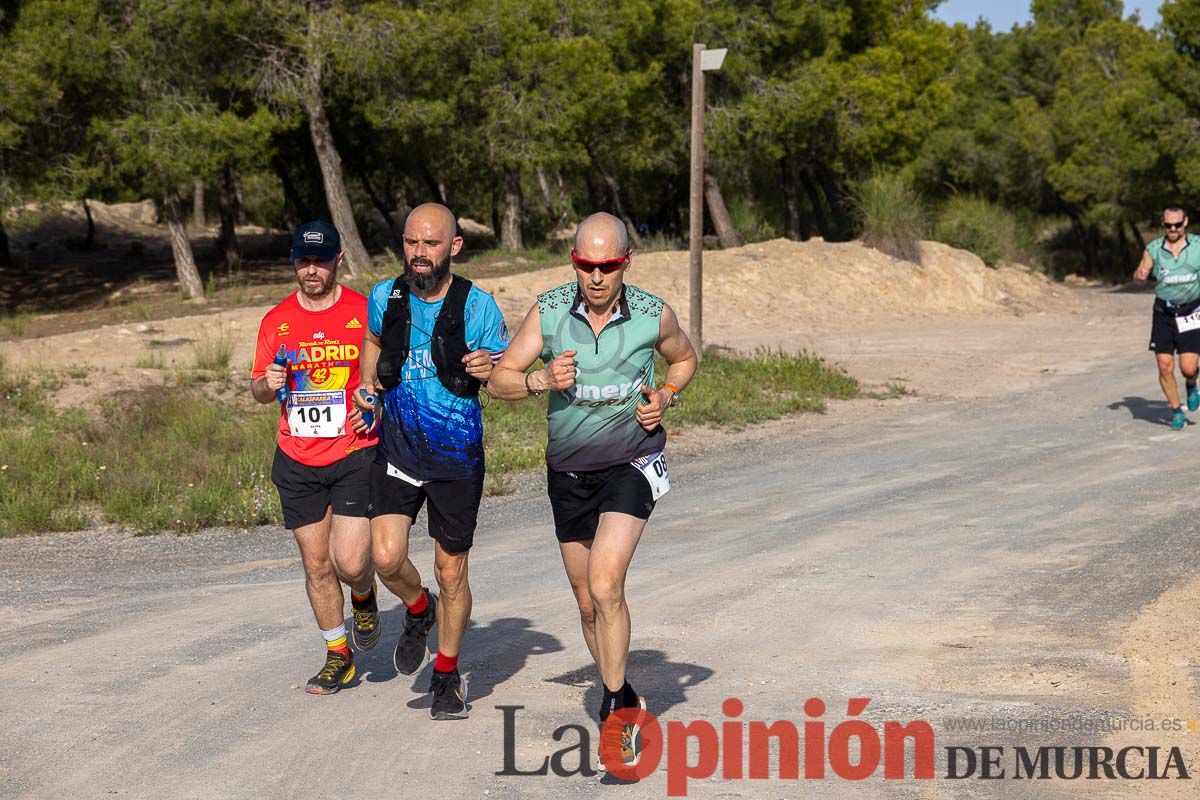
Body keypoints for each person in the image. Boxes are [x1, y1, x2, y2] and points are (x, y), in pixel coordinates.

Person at [489, 212, 698, 764]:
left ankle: (612, 712)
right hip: (569, 473)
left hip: (633, 462)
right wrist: (539, 380)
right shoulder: (551, 310)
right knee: (587, 604)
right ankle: (628, 693)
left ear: (626, 262)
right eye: (587, 265)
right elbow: (499, 378)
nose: (597, 276)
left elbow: (685, 357)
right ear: (574, 262)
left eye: (608, 265)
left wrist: (667, 395)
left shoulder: (654, 314)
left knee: (606, 585)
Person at [354, 203, 508, 720]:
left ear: (454, 247)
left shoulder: (477, 305)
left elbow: (508, 372)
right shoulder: (385, 295)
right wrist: (366, 383)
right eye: (411, 243)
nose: (419, 254)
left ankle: (446, 676)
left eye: (431, 244)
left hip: (454, 458)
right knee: (384, 558)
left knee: (451, 571)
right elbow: (373, 339)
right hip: (396, 450)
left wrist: (492, 367)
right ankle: (419, 610)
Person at [251, 220, 380, 695]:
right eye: (303, 261)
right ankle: (337, 655)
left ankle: (363, 596)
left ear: (338, 260)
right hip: (297, 457)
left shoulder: (364, 313)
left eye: (320, 260)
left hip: (353, 451)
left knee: (349, 562)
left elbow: (386, 377)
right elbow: (258, 389)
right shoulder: (276, 320)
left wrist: (377, 403)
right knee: (317, 565)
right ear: (293, 262)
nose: (311, 269)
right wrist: (268, 384)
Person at [1134, 205, 1200, 429]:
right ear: (1163, 224)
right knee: (1164, 366)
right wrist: (1140, 274)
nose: (1173, 228)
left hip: (1192, 311)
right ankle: (1175, 411)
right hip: (1164, 313)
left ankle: (1192, 383)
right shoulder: (1153, 248)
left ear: (1186, 222)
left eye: (1177, 224)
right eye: (1168, 225)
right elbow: (1140, 270)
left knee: (1188, 367)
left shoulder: (1198, 247)